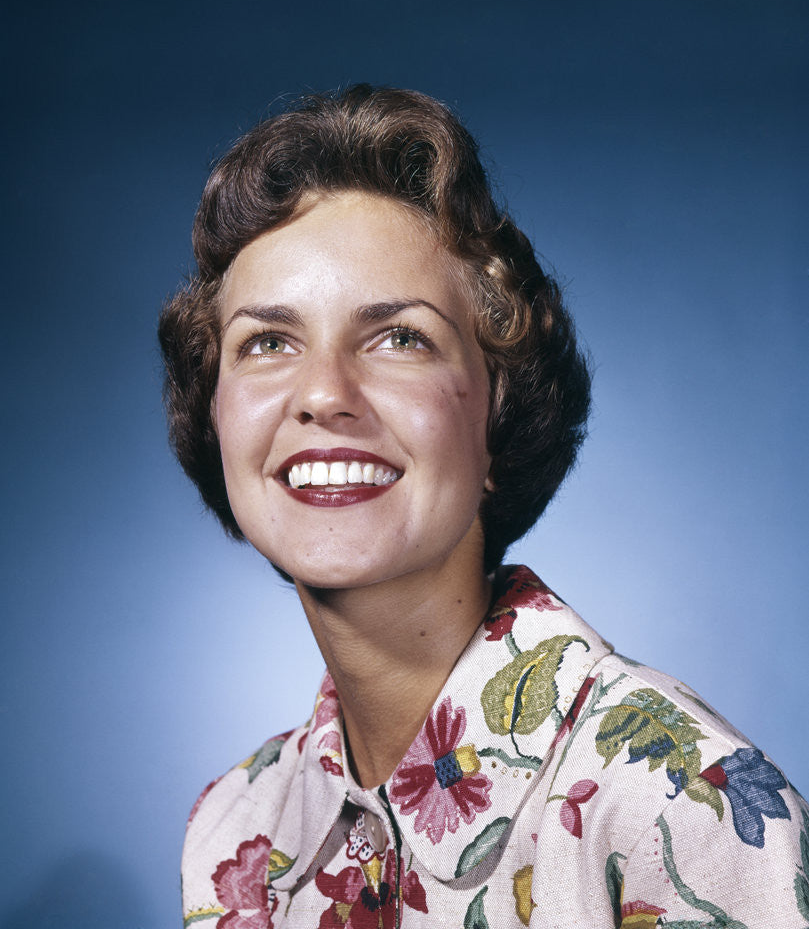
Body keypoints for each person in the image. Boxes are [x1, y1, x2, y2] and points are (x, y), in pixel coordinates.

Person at [160, 85, 807, 928]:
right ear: (215, 419)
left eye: (399, 337)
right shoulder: (234, 830)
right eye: (268, 342)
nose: (322, 393)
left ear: (499, 416)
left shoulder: (679, 803)